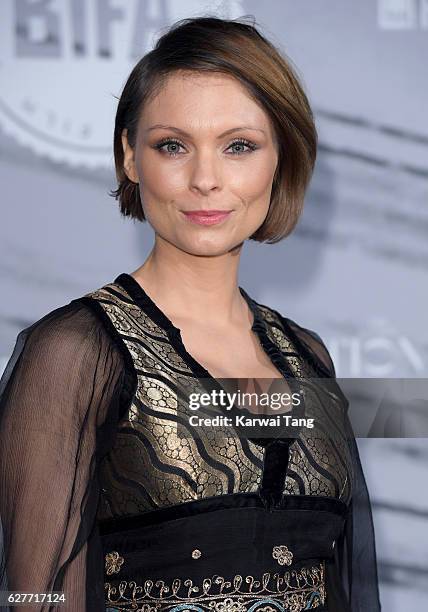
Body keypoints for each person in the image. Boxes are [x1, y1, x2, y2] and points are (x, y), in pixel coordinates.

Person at [0, 16, 381, 612]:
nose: (206, 180)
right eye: (172, 146)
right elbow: (33, 595)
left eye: (239, 147)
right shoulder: (78, 351)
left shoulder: (307, 356)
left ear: (279, 157)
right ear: (130, 157)